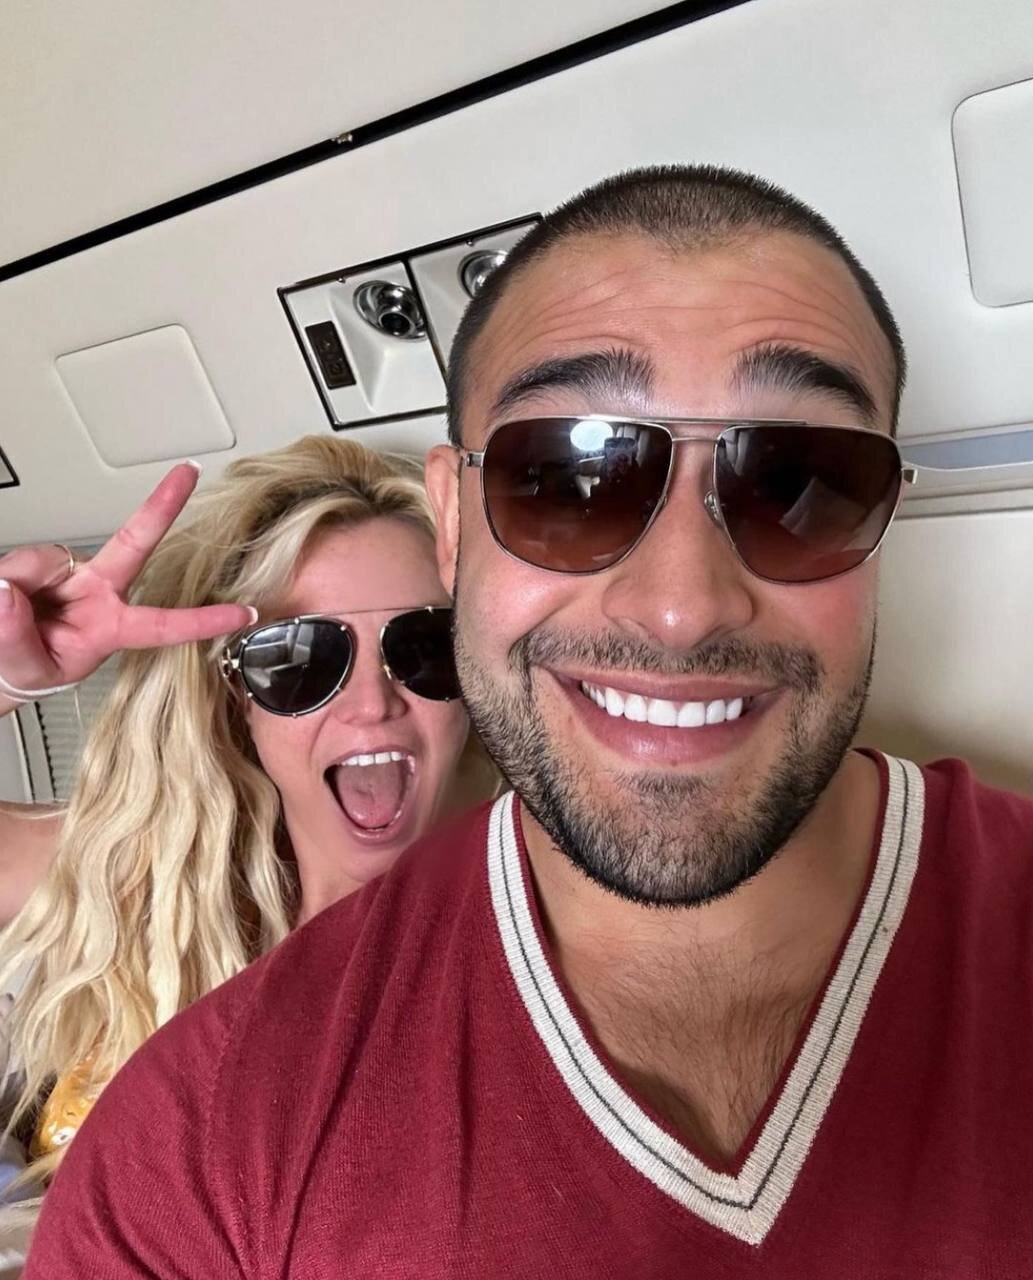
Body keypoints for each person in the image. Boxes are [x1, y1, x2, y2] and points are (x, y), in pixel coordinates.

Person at [25, 167, 1033, 1278]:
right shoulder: (195, 1146)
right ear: (453, 524)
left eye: (797, 478)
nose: (682, 606)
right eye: (566, 479)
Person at [0, 434, 482, 1251]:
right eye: (297, 660)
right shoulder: (145, 881)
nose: (372, 703)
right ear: (235, 701)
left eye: (425, 647)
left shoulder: (540, 931)